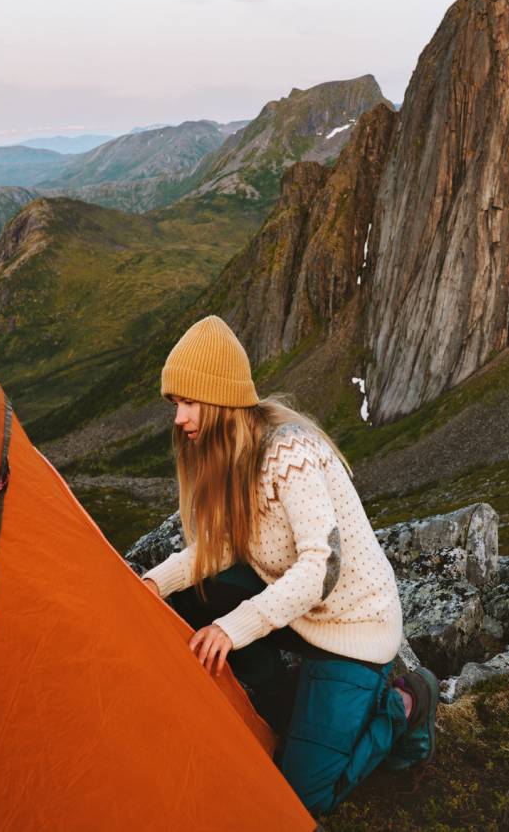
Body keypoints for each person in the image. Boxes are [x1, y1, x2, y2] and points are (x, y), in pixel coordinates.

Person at [139, 314, 437, 816]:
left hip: (353, 630)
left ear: (219, 399)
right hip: (299, 616)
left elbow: (323, 567)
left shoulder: (288, 453)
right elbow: (219, 547)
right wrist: (151, 583)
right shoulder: (230, 453)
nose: (179, 419)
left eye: (188, 403)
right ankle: (279, 700)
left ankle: (406, 704)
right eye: (175, 405)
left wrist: (234, 629)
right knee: (195, 595)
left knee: (296, 801)